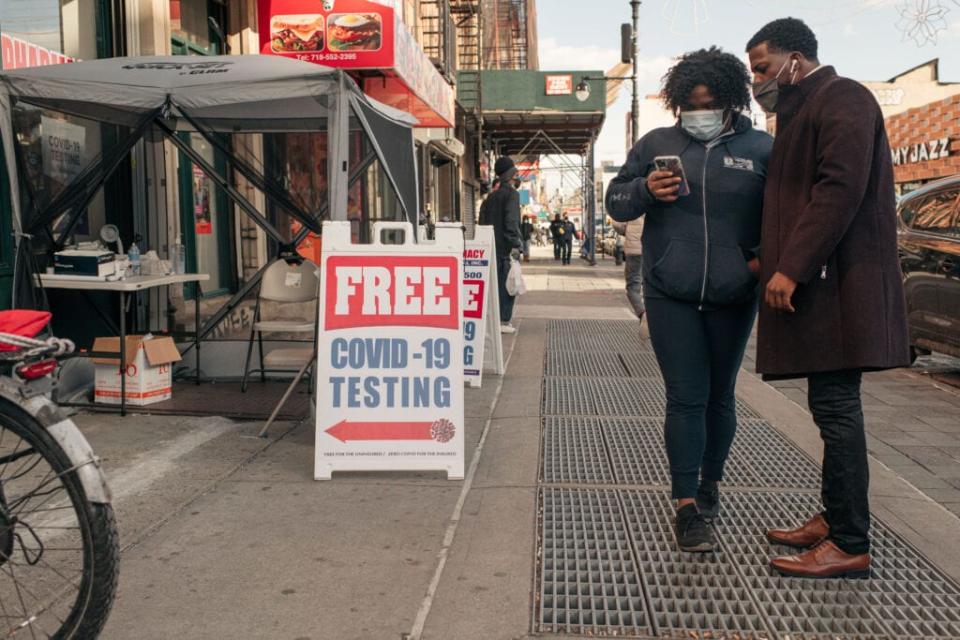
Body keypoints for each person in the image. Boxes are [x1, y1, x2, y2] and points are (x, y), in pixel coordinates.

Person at [746, 18, 909, 579]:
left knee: (838, 410)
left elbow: (838, 189)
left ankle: (849, 540)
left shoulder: (844, 99)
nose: (758, 82)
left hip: (839, 288)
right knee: (829, 407)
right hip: (827, 287)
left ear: (796, 59)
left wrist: (789, 267)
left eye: (763, 69)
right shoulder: (806, 110)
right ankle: (836, 516)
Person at [606, 47, 772, 553]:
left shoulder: (762, 149)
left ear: (728, 100)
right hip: (669, 291)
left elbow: (786, 213)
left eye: (709, 103)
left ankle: (709, 483)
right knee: (685, 396)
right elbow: (615, 199)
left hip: (733, 294)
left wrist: (760, 260)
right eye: (689, 104)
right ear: (678, 103)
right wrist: (645, 192)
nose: (698, 113)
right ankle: (685, 506)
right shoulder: (657, 141)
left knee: (719, 396)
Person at [479, 156, 523, 334]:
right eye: (515, 174)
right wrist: (516, 244)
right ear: (510, 175)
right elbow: (511, 221)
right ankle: (504, 320)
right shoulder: (512, 195)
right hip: (505, 248)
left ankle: (493, 319)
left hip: (491, 247)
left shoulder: (490, 198)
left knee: (494, 285)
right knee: (508, 285)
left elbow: (482, 223)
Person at [610, 218, 645, 324]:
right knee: (650, 285)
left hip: (634, 250)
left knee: (632, 287)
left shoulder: (632, 204)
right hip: (653, 250)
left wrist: (627, 231)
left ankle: (643, 314)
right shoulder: (657, 202)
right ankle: (653, 316)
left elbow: (617, 224)